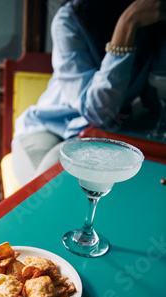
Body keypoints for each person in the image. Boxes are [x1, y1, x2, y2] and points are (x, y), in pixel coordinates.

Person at [11, 0, 166, 187]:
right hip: (48, 126)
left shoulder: (156, 27)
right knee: (41, 190)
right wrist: (127, 25)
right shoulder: (71, 19)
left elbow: (154, 99)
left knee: (62, 192)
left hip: (102, 134)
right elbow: (95, 111)